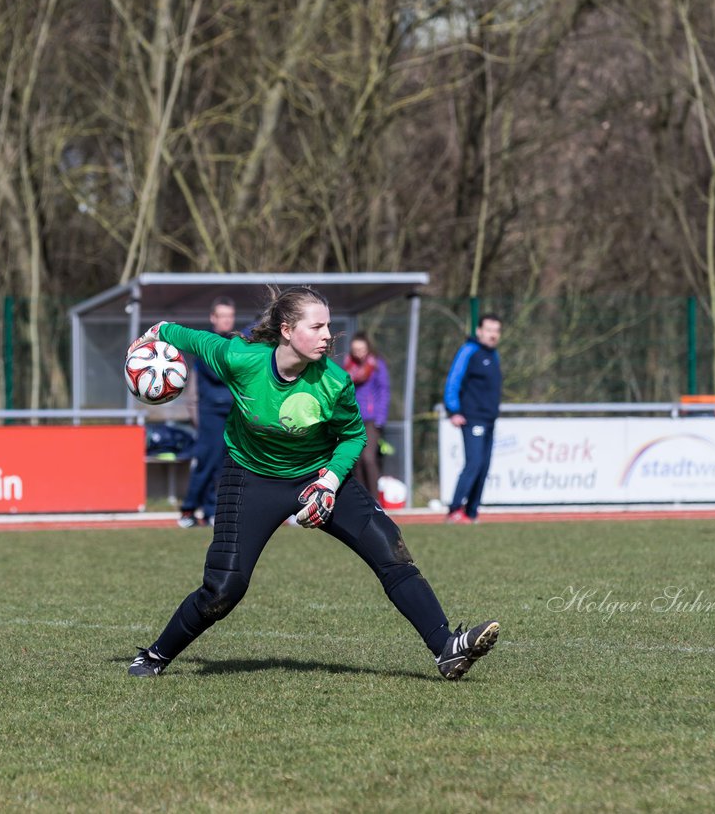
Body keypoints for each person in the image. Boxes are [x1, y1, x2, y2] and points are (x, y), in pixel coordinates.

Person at [126, 286, 499, 681]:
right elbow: (190, 338)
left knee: (390, 550)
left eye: (329, 326)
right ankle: (154, 656)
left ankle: (447, 648)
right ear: (287, 330)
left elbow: (354, 436)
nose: (327, 335)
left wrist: (330, 481)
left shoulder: (334, 382)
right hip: (251, 477)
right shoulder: (240, 359)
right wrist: (157, 331)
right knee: (224, 589)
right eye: (317, 326)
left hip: (317, 474)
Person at [178, 297, 237, 528]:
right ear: (213, 318)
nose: (226, 320)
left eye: (230, 316)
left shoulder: (236, 343)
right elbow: (218, 373)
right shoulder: (205, 343)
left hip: (233, 414)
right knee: (206, 462)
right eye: (222, 316)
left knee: (225, 466)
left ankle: (213, 511)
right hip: (210, 414)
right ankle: (188, 510)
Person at [442, 314, 503, 524]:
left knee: (484, 465)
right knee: (474, 463)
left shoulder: (493, 355)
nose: (492, 334)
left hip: (489, 419)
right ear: (479, 331)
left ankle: (472, 511)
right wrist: (453, 410)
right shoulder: (469, 350)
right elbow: (453, 380)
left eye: (496, 330)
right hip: (471, 417)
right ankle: (454, 510)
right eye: (489, 330)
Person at [343, 331, 389, 500]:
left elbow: (384, 392)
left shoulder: (377, 366)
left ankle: (374, 499)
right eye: (355, 350)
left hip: (371, 419)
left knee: (368, 458)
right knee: (356, 459)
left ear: (368, 348)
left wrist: (380, 418)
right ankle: (362, 499)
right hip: (354, 419)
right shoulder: (347, 367)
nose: (358, 353)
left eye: (361, 349)